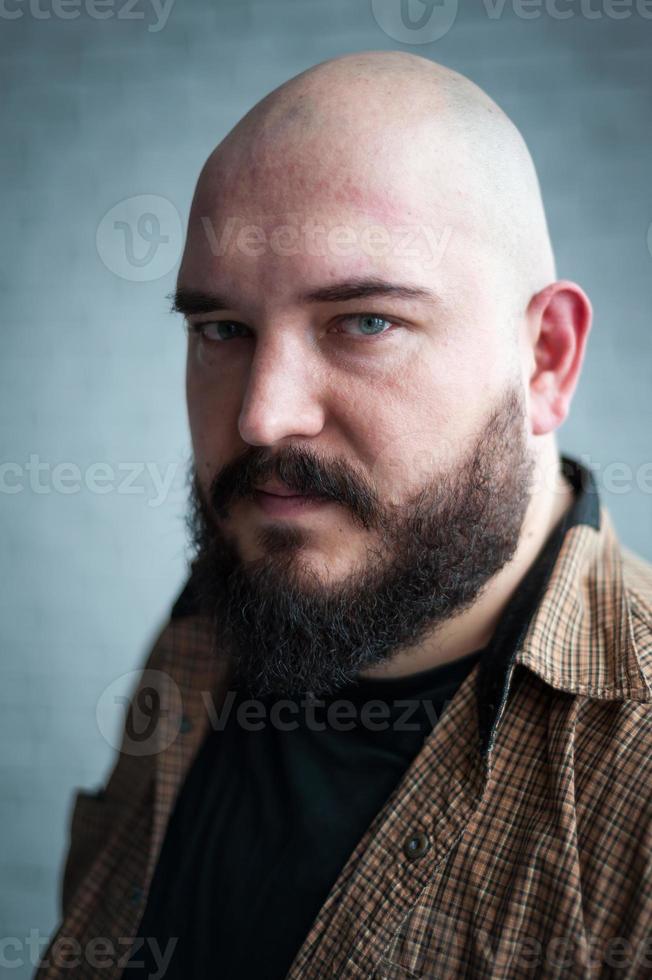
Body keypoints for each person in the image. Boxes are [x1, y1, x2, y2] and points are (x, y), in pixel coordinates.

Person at [37, 51, 652, 979]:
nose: (260, 417)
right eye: (221, 331)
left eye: (365, 322)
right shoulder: (221, 612)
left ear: (546, 360)